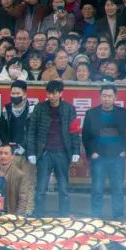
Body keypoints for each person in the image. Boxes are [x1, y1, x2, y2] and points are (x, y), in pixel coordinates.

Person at [26, 80, 79, 217]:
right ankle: (38, 216)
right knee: (41, 188)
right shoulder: (39, 108)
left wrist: (76, 151)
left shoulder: (69, 109)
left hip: (62, 153)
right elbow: (31, 131)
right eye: (49, 93)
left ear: (61, 93)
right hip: (44, 153)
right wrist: (31, 152)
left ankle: (64, 215)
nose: (51, 96)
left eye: (54, 93)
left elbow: (74, 131)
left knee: (63, 188)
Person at [82, 85, 126, 219]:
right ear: (100, 97)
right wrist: (92, 152)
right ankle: (96, 216)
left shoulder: (123, 113)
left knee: (118, 189)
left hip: (117, 157)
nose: (107, 99)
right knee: (97, 189)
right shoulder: (91, 113)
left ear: (115, 97)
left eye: (110, 96)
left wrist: (125, 151)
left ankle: (118, 217)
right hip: (99, 157)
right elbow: (86, 135)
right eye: (104, 96)